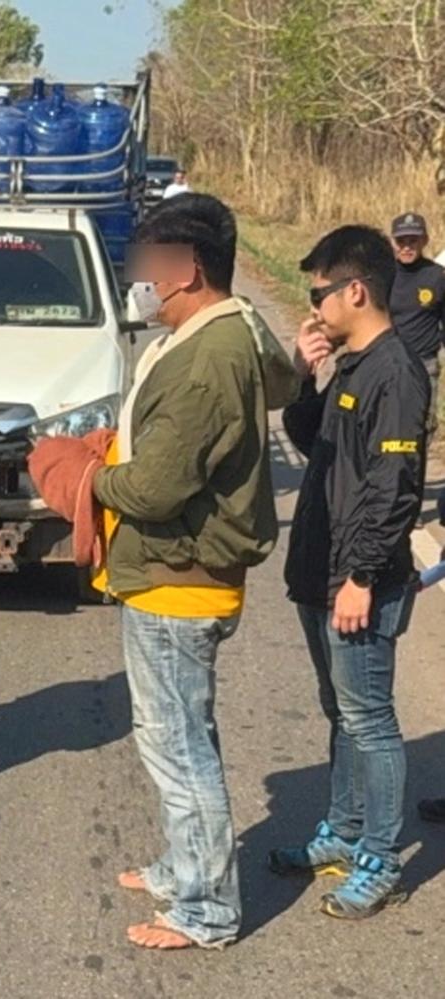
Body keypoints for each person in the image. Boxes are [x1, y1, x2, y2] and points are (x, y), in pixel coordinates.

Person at [91, 194, 298, 951]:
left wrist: (88, 479)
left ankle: (207, 908)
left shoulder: (209, 357)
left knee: (180, 749)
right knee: (176, 734)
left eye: (147, 267)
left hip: (179, 576)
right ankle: (184, 867)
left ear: (187, 270)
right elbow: (282, 382)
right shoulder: (228, 326)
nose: (139, 281)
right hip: (176, 569)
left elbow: (155, 487)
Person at [270, 225, 429, 919]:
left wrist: (362, 575)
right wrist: (306, 376)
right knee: (342, 710)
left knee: (370, 717)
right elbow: (314, 443)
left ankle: (380, 855)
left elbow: (394, 485)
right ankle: (342, 827)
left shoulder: (396, 371)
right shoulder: (353, 364)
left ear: (354, 290)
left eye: (318, 294)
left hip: (358, 578)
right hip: (321, 567)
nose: (313, 309)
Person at [386, 212, 445, 435]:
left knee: (422, 430)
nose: (407, 247)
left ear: (425, 241)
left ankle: (415, 470)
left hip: (424, 365)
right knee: (388, 428)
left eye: (413, 240)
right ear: (393, 242)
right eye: (401, 241)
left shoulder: (437, 276)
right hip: (389, 364)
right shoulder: (383, 276)